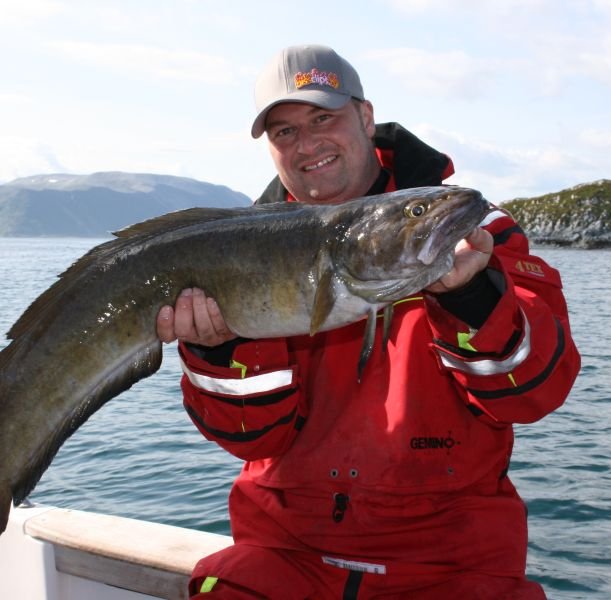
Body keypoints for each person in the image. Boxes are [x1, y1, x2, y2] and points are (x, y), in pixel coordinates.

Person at [156, 44, 580, 599]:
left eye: (322, 118)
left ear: (366, 116)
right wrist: (218, 350)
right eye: (284, 132)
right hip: (286, 552)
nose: (306, 145)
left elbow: (534, 395)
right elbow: (252, 438)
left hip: (448, 563)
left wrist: (473, 296)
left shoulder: (476, 236)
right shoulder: (237, 249)